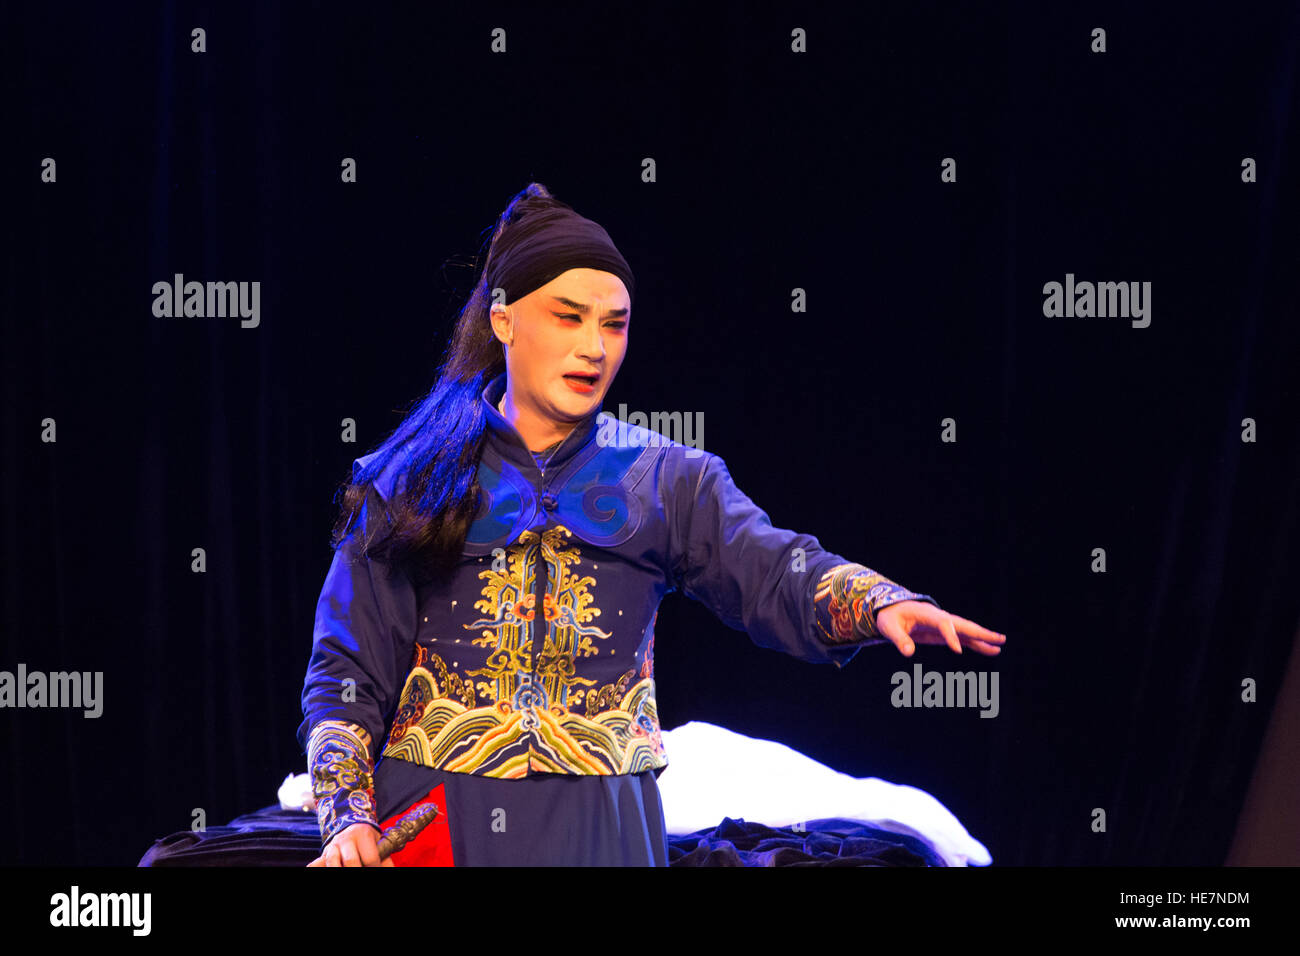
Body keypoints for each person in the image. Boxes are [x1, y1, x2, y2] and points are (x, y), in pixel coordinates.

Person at [299, 182, 1006, 867]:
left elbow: (773, 567)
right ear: (504, 319)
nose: (595, 347)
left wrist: (880, 600)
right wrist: (347, 817)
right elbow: (345, 675)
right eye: (569, 317)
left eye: (615, 323)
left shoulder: (668, 478)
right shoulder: (408, 480)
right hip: (439, 823)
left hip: (602, 828)